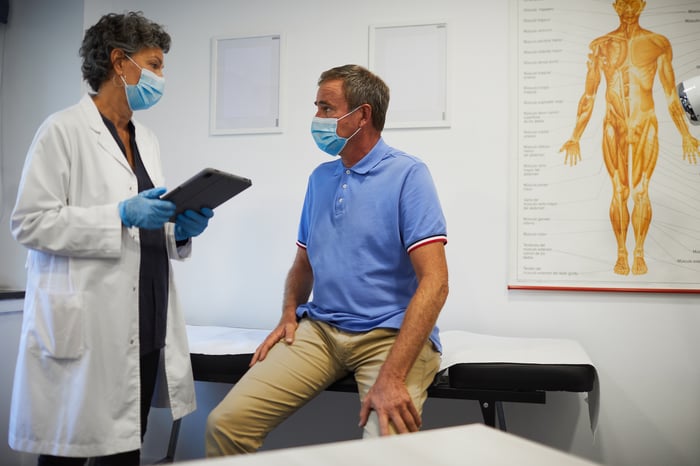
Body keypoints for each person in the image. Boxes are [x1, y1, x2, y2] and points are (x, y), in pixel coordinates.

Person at [205, 64, 449, 456]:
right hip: (321, 331)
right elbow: (303, 264)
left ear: (362, 115)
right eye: (317, 108)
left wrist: (394, 373)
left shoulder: (408, 175)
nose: (316, 119)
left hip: (389, 335)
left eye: (326, 108)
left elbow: (435, 282)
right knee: (225, 425)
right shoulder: (320, 179)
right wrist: (289, 313)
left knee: (382, 454)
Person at [8, 12, 213, 466]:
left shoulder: (147, 140)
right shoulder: (61, 131)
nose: (161, 77)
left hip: (143, 322)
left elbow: (145, 222)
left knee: (124, 451)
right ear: (120, 63)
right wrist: (118, 214)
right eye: (155, 64)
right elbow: (30, 223)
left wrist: (177, 231)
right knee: (67, 449)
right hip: (86, 325)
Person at [559, 0, 700, 276]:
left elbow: (671, 94)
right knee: (620, 191)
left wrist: (685, 134)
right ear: (614, 6)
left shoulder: (657, 43)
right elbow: (589, 95)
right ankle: (622, 252)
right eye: (622, 3)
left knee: (640, 191)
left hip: (645, 123)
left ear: (642, 5)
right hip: (614, 124)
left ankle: (639, 253)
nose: (628, 8)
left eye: (633, 2)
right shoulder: (601, 46)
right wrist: (575, 135)